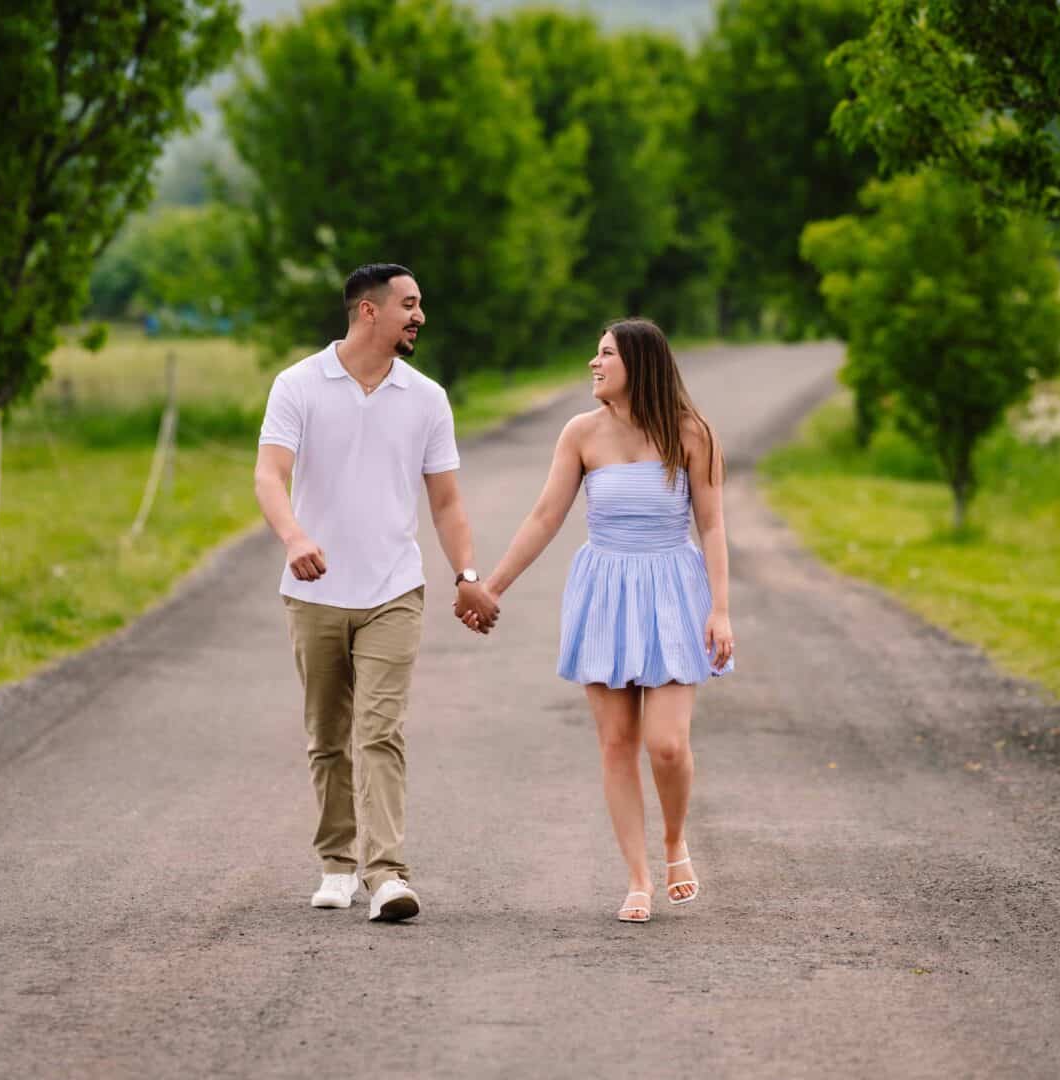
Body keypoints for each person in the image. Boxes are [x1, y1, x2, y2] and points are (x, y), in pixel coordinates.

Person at [464, 317, 734, 924]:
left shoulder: (693, 433)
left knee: (667, 746)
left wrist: (720, 609)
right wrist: (491, 588)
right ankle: (638, 879)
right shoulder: (580, 433)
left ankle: (673, 844)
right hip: (606, 592)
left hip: (671, 590)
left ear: (638, 364)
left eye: (605, 354)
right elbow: (543, 518)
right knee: (617, 743)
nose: (593, 363)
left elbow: (713, 524)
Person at [254, 263, 499, 923]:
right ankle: (337, 862)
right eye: (409, 305)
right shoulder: (298, 385)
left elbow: (446, 503)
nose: (420, 316)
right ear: (369, 311)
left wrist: (468, 576)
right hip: (314, 593)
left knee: (380, 731)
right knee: (327, 736)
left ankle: (386, 873)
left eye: (420, 305)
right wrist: (294, 538)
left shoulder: (427, 398)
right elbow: (271, 476)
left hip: (395, 589)